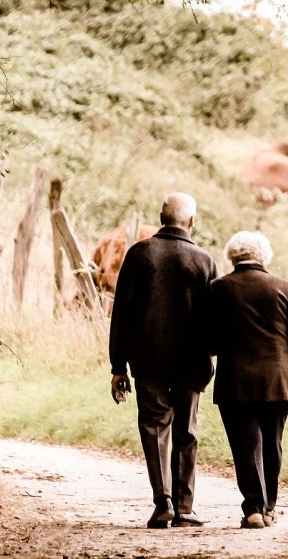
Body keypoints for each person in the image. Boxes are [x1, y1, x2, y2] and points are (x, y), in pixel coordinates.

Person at [108, 192, 218, 529]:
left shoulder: (139, 255)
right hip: (191, 362)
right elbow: (213, 318)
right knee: (186, 431)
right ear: (192, 222)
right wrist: (210, 354)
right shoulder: (203, 260)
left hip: (148, 360)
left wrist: (118, 367)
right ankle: (185, 508)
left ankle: (163, 502)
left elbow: (121, 314)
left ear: (160, 217)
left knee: (154, 428)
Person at [207, 231, 288, 530]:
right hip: (279, 380)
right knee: (272, 443)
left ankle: (253, 509)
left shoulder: (218, 289)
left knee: (245, 446)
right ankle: (269, 508)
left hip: (235, 381)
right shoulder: (283, 287)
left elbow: (210, 340)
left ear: (232, 256)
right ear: (264, 256)